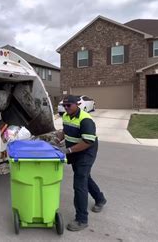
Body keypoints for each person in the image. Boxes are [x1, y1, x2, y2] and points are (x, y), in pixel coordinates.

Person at [58, 95, 106, 232]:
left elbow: (88, 142)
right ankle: (100, 199)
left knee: (79, 183)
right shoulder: (66, 116)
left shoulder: (86, 120)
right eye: (64, 106)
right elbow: (65, 130)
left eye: (69, 105)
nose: (66, 108)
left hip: (86, 151)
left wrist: (68, 150)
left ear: (77, 104)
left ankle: (81, 219)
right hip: (75, 150)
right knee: (85, 177)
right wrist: (57, 139)